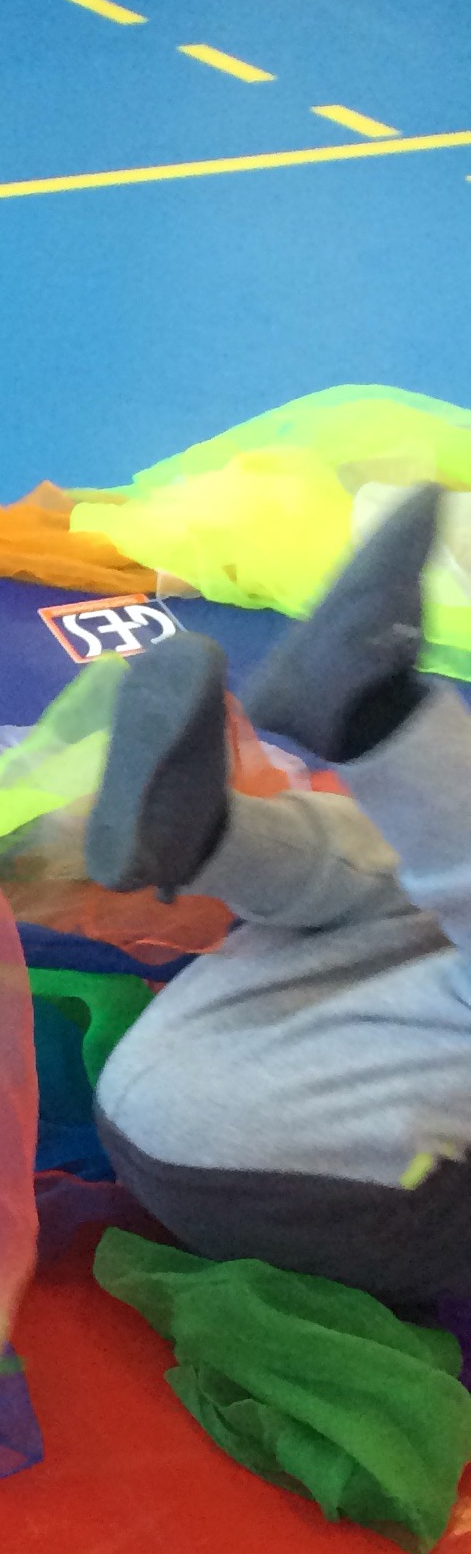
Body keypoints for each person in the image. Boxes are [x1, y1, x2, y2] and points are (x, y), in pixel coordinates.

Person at [83, 487, 469, 1305]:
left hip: (312, 1170)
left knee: (405, 869)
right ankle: (214, 838)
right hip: (247, 1098)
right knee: (398, 860)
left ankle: (370, 721)